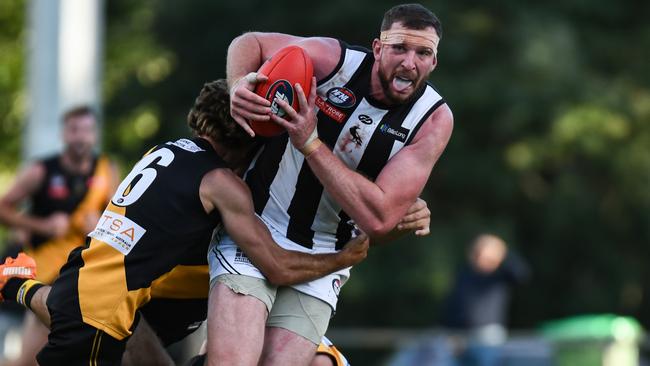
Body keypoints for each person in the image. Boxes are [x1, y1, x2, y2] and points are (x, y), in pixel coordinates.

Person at [0, 79, 371, 366]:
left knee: (69, 302)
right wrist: (340, 259)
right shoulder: (221, 186)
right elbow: (275, 265)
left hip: (79, 279)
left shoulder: (163, 151)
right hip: (102, 318)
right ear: (248, 139)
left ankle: (14, 284)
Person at [209, 3, 453, 365]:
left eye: (423, 53)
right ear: (378, 48)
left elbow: (380, 220)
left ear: (434, 62)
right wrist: (238, 84)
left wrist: (310, 144)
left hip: (324, 258)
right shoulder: (334, 62)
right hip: (256, 225)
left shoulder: (433, 120)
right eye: (399, 48)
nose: (409, 62)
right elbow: (251, 43)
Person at [0, 106, 120, 366]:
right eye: (74, 130)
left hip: (80, 277)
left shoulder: (106, 170)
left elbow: (120, 221)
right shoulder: (41, 171)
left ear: (95, 134)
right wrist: (42, 225)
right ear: (64, 134)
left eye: (86, 130)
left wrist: (101, 224)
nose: (80, 137)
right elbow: (3, 207)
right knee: (30, 355)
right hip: (38, 273)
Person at [441, 234, 531, 366]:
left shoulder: (501, 274)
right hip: (460, 338)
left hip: (488, 338)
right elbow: (453, 305)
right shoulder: (464, 273)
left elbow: (522, 274)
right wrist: (448, 331)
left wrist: (501, 252)